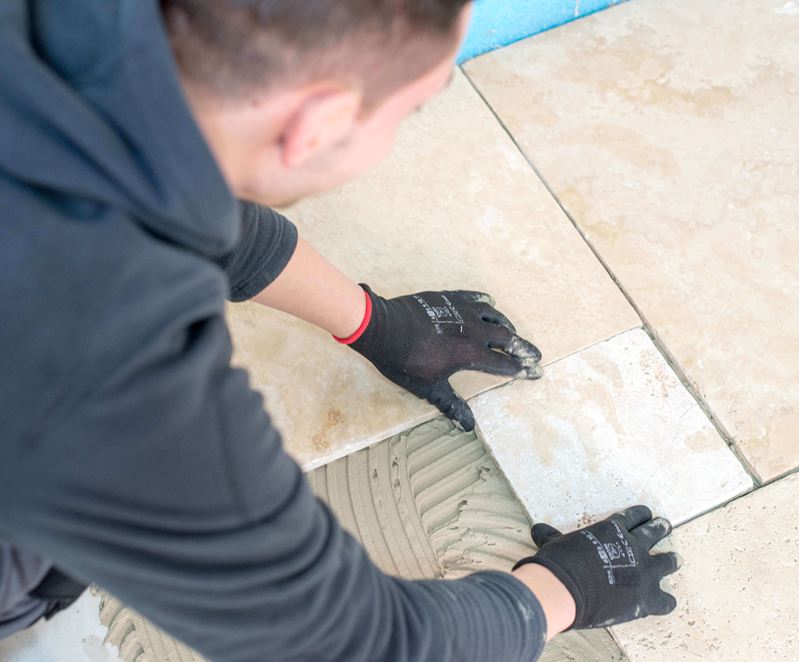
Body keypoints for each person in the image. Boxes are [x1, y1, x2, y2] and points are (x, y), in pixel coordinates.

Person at [0, 1, 679, 660]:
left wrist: (377, 325)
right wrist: (555, 594)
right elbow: (354, 643)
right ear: (318, 125)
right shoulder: (106, 367)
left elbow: (168, 184)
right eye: (410, 108)